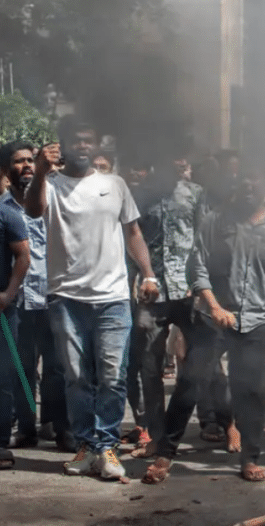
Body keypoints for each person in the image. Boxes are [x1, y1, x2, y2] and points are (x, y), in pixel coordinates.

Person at [142, 163, 265, 484]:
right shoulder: (215, 221)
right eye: (244, 179)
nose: (248, 185)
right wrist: (214, 305)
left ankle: (250, 457)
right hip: (212, 318)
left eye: (255, 179)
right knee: (190, 383)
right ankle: (165, 454)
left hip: (257, 321)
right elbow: (198, 266)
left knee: (254, 391)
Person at [25, 115, 159, 480]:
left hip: (113, 297)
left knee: (113, 377)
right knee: (77, 377)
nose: (83, 146)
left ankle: (108, 447)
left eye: (88, 140)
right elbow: (33, 211)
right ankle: (86, 445)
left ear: (96, 144)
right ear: (64, 144)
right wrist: (39, 171)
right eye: (76, 140)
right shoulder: (49, 184)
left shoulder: (114, 184)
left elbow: (132, 232)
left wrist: (148, 273)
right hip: (66, 298)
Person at [125, 154, 206, 457]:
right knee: (149, 367)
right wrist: (136, 282)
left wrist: (201, 287)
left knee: (201, 361)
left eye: (183, 156)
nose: (178, 161)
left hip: (188, 291)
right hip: (152, 293)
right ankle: (156, 436)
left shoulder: (196, 193)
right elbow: (131, 241)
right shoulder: (139, 195)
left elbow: (202, 242)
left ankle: (220, 423)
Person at [0, 141, 75, 453]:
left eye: (31, 159)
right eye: (19, 161)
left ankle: (61, 430)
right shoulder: (3, 209)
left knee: (58, 368)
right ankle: (27, 429)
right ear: (6, 171)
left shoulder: (53, 200)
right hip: (18, 299)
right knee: (22, 367)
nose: (28, 166)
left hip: (53, 295)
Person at [0, 144, 32, 469]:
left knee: (3, 377)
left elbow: (24, 257)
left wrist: (8, 294)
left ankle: (0, 446)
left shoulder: (7, 213)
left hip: (3, 310)